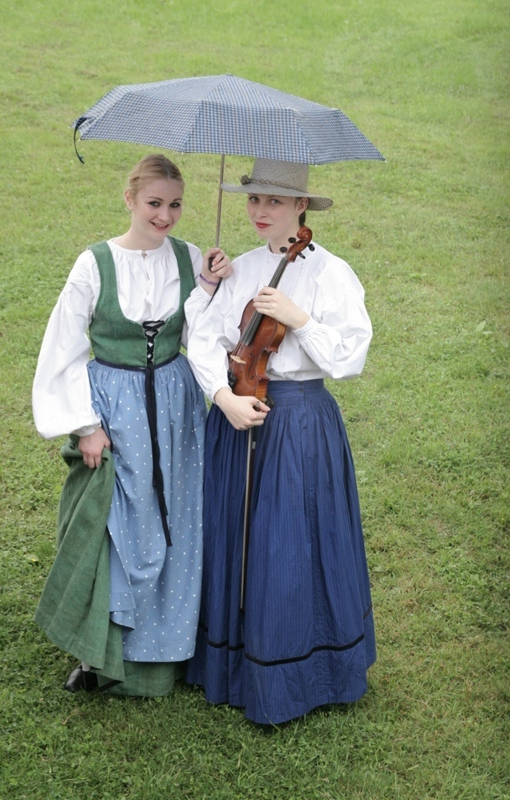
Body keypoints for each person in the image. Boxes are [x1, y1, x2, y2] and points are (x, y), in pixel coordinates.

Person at [184, 158, 376, 725]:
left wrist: (300, 318)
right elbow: (204, 339)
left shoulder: (331, 273)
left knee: (291, 540)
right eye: (254, 199)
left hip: (299, 421)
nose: (261, 211)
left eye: (274, 200)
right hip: (239, 411)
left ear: (301, 206)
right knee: (237, 535)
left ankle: (303, 668)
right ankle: (231, 661)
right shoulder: (242, 268)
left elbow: (349, 357)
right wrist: (223, 397)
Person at [32, 153, 231, 697]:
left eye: (175, 204)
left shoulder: (190, 257)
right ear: (130, 199)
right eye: (154, 203)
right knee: (116, 522)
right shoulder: (95, 263)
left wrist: (209, 288)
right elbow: (63, 346)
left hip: (175, 406)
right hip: (114, 408)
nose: (165, 215)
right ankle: (100, 655)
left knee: (177, 518)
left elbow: (200, 337)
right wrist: (85, 425)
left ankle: (168, 655)